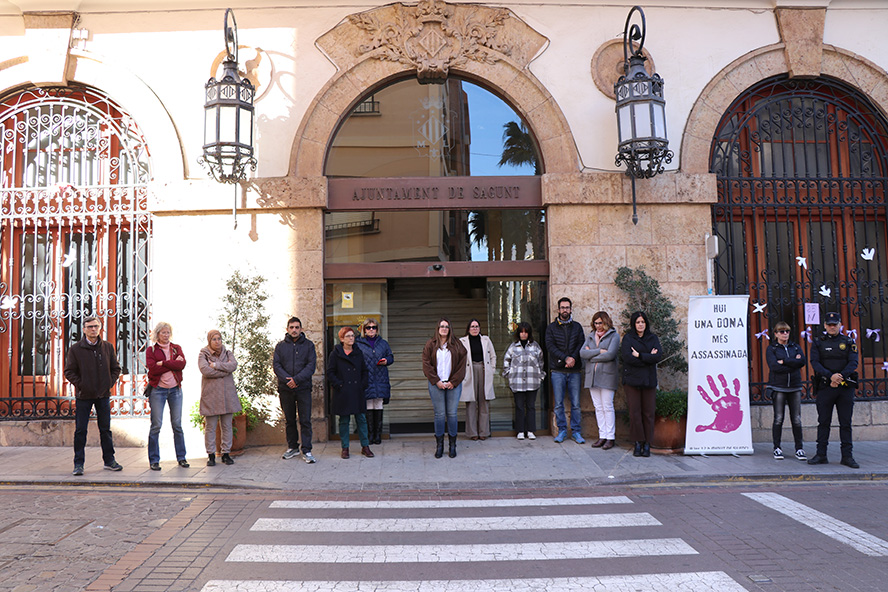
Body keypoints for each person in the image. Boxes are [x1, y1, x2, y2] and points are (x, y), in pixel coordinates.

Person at [64, 316, 122, 476]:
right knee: (80, 430)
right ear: (83, 329)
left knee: (105, 429)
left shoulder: (107, 347)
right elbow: (69, 371)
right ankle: (78, 464)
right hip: (84, 395)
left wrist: (109, 382)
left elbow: (116, 368)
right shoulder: (76, 349)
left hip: (103, 394)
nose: (93, 329)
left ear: (100, 328)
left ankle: (109, 461)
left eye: (96, 326)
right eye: (90, 327)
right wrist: (82, 384)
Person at [808, 311, 859, 468]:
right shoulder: (818, 342)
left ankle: (847, 456)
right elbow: (815, 362)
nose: (832, 327)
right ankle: (821, 454)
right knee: (823, 422)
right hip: (826, 387)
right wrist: (831, 377)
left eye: (835, 324)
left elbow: (853, 362)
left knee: (845, 423)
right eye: (829, 325)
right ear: (824, 325)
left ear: (840, 325)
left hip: (844, 388)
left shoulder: (849, 341)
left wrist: (839, 377)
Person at [273, 316, 317, 464]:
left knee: (305, 420)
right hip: (285, 389)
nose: (294, 330)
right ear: (287, 329)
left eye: (297, 327)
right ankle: (292, 447)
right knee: (289, 420)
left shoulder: (309, 346)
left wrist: (296, 380)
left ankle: (307, 450)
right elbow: (277, 366)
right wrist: (288, 380)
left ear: (301, 329)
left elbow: (311, 366)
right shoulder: (280, 346)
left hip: (303, 388)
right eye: (291, 327)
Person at [421, 317, 467, 458]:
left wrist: (454, 381)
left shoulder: (457, 344)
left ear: (450, 329)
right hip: (437, 385)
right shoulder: (431, 344)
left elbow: (462, 365)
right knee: (440, 414)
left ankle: (452, 445)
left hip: (453, 384)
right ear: (438, 328)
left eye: (447, 326)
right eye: (442, 326)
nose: (444, 328)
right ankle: (439, 445)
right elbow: (426, 364)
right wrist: (436, 381)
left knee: (452, 414)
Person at [146, 322, 188, 470]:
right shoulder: (151, 350)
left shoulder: (177, 348)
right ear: (157, 334)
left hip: (175, 390)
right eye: (163, 332)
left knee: (177, 425)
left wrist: (163, 363)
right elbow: (152, 370)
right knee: (156, 425)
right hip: (158, 390)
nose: (166, 335)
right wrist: (172, 364)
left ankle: (181, 458)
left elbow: (181, 365)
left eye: (168, 332)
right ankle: (154, 460)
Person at [620, 311, 662, 457]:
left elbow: (658, 356)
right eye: (638, 322)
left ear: (646, 323)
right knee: (635, 413)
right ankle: (638, 442)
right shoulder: (628, 338)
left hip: (649, 381)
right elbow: (626, 357)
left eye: (642, 322)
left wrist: (639, 355)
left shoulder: (653, 338)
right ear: (634, 323)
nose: (640, 325)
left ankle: (647, 444)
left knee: (649, 413)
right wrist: (648, 357)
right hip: (632, 381)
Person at [327, 326, 373, 459]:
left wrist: (363, 384)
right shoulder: (335, 354)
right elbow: (330, 372)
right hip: (343, 391)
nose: (351, 338)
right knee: (344, 420)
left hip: (357, 390)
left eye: (353, 336)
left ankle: (365, 446)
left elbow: (364, 370)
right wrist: (339, 384)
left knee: (361, 419)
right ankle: (345, 448)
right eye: (348, 336)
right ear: (342, 339)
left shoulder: (358, 352)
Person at [198, 329, 241, 467]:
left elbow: (233, 365)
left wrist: (216, 365)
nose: (217, 342)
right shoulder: (203, 354)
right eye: (214, 339)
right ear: (209, 341)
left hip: (227, 395)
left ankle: (226, 453)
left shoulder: (227, 353)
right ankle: (211, 454)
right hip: (211, 396)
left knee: (227, 425)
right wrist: (224, 371)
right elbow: (205, 370)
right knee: (210, 426)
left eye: (219, 338)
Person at [545, 297, 585, 444]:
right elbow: (550, 346)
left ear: (571, 309)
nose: (565, 310)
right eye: (562, 307)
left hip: (574, 371)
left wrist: (572, 358)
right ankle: (561, 430)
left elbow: (581, 343)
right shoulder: (551, 328)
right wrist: (565, 358)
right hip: (557, 371)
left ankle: (576, 431)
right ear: (558, 310)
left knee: (575, 404)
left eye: (567, 307)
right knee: (558, 404)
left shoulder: (577, 327)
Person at [765, 321, 807, 461]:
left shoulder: (795, 347)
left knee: (796, 419)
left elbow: (802, 362)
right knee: (778, 418)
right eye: (782, 331)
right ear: (776, 334)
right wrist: (792, 363)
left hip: (795, 386)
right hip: (779, 387)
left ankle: (799, 448)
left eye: (787, 331)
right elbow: (774, 366)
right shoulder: (772, 349)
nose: (785, 334)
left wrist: (784, 361)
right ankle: (777, 447)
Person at [580, 311, 620, 450]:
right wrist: (599, 351)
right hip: (592, 376)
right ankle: (602, 436)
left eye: (600, 323)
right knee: (598, 407)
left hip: (607, 376)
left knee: (607, 407)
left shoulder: (614, 336)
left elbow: (610, 355)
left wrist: (591, 355)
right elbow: (582, 353)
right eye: (596, 323)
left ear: (606, 322)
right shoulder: (591, 336)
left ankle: (610, 437)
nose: (598, 326)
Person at [502, 322, 544, 440]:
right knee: (519, 406)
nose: (523, 334)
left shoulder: (535, 346)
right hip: (517, 381)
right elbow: (506, 361)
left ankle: (530, 430)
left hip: (532, 380)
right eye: (521, 332)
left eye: (526, 332)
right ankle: (520, 430)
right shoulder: (513, 347)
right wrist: (509, 374)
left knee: (531, 406)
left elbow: (541, 361)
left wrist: (540, 376)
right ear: (518, 333)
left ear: (529, 333)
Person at [355, 318, 393, 445]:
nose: (371, 330)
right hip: (366, 379)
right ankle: (370, 435)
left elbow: (391, 357)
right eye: (368, 327)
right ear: (364, 330)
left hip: (380, 379)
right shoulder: (358, 343)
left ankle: (378, 435)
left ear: (377, 329)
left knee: (378, 405)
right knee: (368, 406)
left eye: (374, 327)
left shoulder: (383, 343)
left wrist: (387, 361)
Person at [459, 319, 497, 441]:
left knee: (484, 402)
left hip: (484, 370)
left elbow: (493, 356)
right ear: (468, 329)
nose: (475, 328)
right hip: (469, 372)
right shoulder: (462, 341)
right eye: (472, 326)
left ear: (480, 328)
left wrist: (492, 369)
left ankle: (484, 432)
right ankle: (472, 433)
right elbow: (458, 358)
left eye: (477, 326)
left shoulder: (486, 340)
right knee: (471, 402)